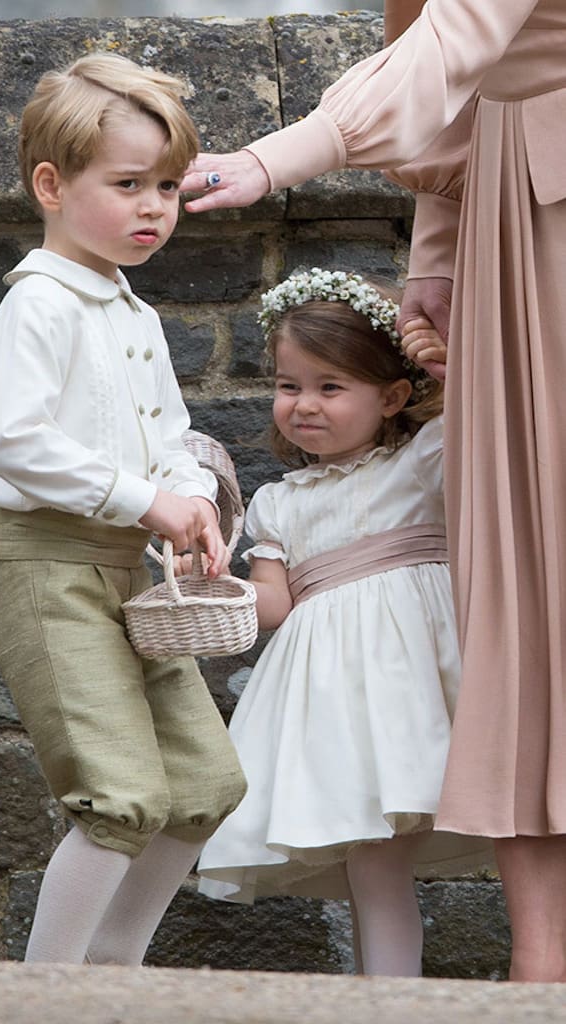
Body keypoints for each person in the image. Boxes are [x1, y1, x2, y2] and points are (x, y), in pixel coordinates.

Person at [181, 0, 566, 983]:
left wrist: (278, 156)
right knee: (518, 580)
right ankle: (542, 962)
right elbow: (466, 80)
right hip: (508, 212)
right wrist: (436, 252)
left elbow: (454, 41)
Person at [0, 52, 246, 966]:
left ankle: (112, 979)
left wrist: (193, 495)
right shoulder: (39, 306)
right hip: (51, 574)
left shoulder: (137, 317)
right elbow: (13, 442)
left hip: (134, 574)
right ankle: (48, 995)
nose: (154, 207)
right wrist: (144, 499)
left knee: (203, 785)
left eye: (166, 185)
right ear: (51, 184)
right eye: (127, 184)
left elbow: (172, 431)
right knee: (121, 797)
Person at [195, 268, 492, 978]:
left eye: (331, 387)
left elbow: (485, 418)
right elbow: (276, 606)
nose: (304, 405)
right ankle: (388, 998)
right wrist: (215, 584)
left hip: (421, 682)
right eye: (290, 386)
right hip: (336, 699)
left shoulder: (422, 464)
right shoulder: (279, 503)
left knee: (482, 829)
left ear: (392, 396)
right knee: (371, 855)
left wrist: (440, 355)